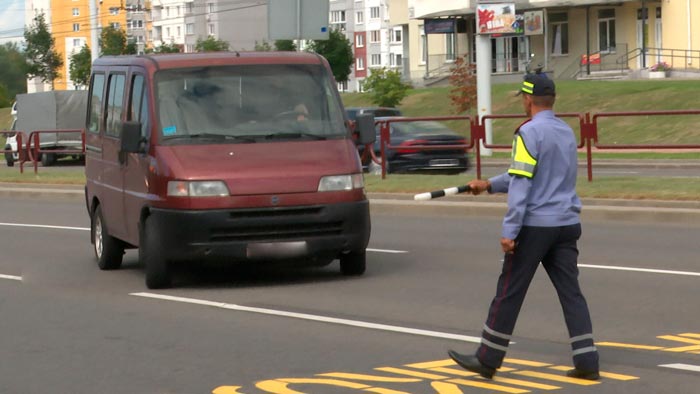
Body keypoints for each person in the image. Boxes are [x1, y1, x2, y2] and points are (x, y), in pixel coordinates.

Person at [448, 71, 600, 381]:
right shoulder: (566, 131)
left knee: (509, 291)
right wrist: (488, 184)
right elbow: (527, 174)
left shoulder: (528, 133)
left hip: (535, 225)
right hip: (567, 222)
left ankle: (487, 358)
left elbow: (521, 183)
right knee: (571, 293)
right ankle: (587, 360)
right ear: (552, 100)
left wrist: (509, 231)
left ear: (528, 99)